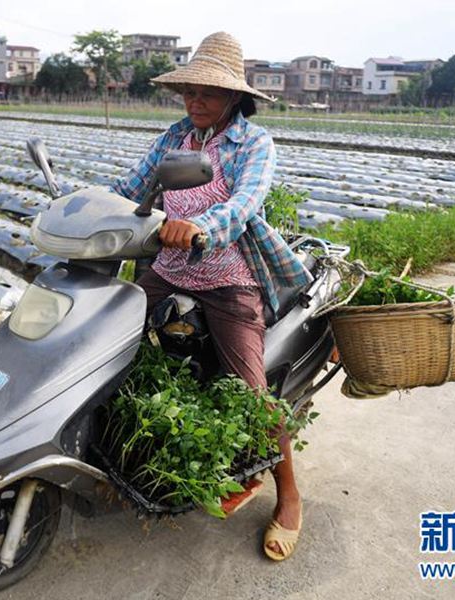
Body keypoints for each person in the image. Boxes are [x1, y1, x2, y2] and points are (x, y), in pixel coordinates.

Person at [110, 32, 312, 561]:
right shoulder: (175, 136)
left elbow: (244, 204)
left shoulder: (253, 143)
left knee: (252, 392)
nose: (195, 102)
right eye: (189, 92)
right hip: (168, 269)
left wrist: (199, 226)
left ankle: (289, 494)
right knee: (107, 338)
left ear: (233, 97)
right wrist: (80, 206)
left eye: (208, 93)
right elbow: (131, 188)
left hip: (227, 276)